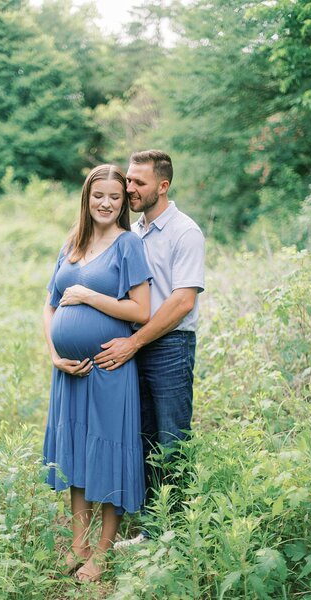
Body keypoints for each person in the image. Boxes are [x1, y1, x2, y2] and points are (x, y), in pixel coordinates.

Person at [42, 164, 152, 581]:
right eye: (98, 196)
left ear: (123, 202)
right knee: (77, 456)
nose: (106, 203)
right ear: (86, 199)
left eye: (115, 197)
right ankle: (78, 545)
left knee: (108, 454)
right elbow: (50, 305)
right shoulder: (71, 243)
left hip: (109, 369)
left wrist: (89, 295)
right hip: (70, 372)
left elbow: (140, 311)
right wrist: (55, 352)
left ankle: (102, 554)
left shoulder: (128, 245)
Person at [94, 150, 205, 545]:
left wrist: (133, 342)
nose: (129, 188)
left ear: (163, 185)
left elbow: (182, 301)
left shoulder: (184, 232)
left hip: (170, 346)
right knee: (139, 435)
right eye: (128, 179)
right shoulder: (134, 231)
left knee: (171, 438)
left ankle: (174, 534)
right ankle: (149, 527)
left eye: (139, 182)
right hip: (134, 345)